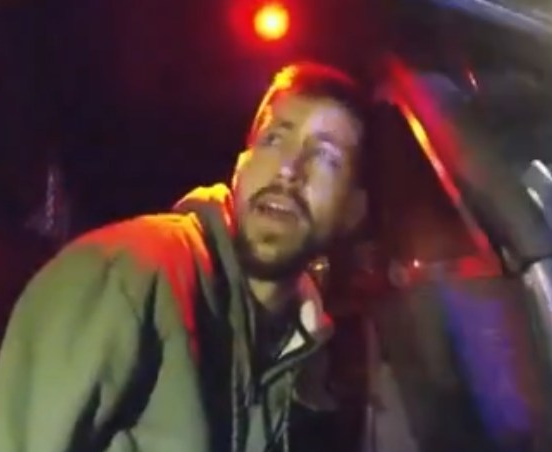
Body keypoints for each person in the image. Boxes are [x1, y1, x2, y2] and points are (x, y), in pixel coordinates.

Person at [0, 61, 368, 452]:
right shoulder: (129, 274)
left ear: (354, 210)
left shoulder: (299, 354)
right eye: (273, 139)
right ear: (240, 164)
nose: (288, 171)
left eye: (325, 157)